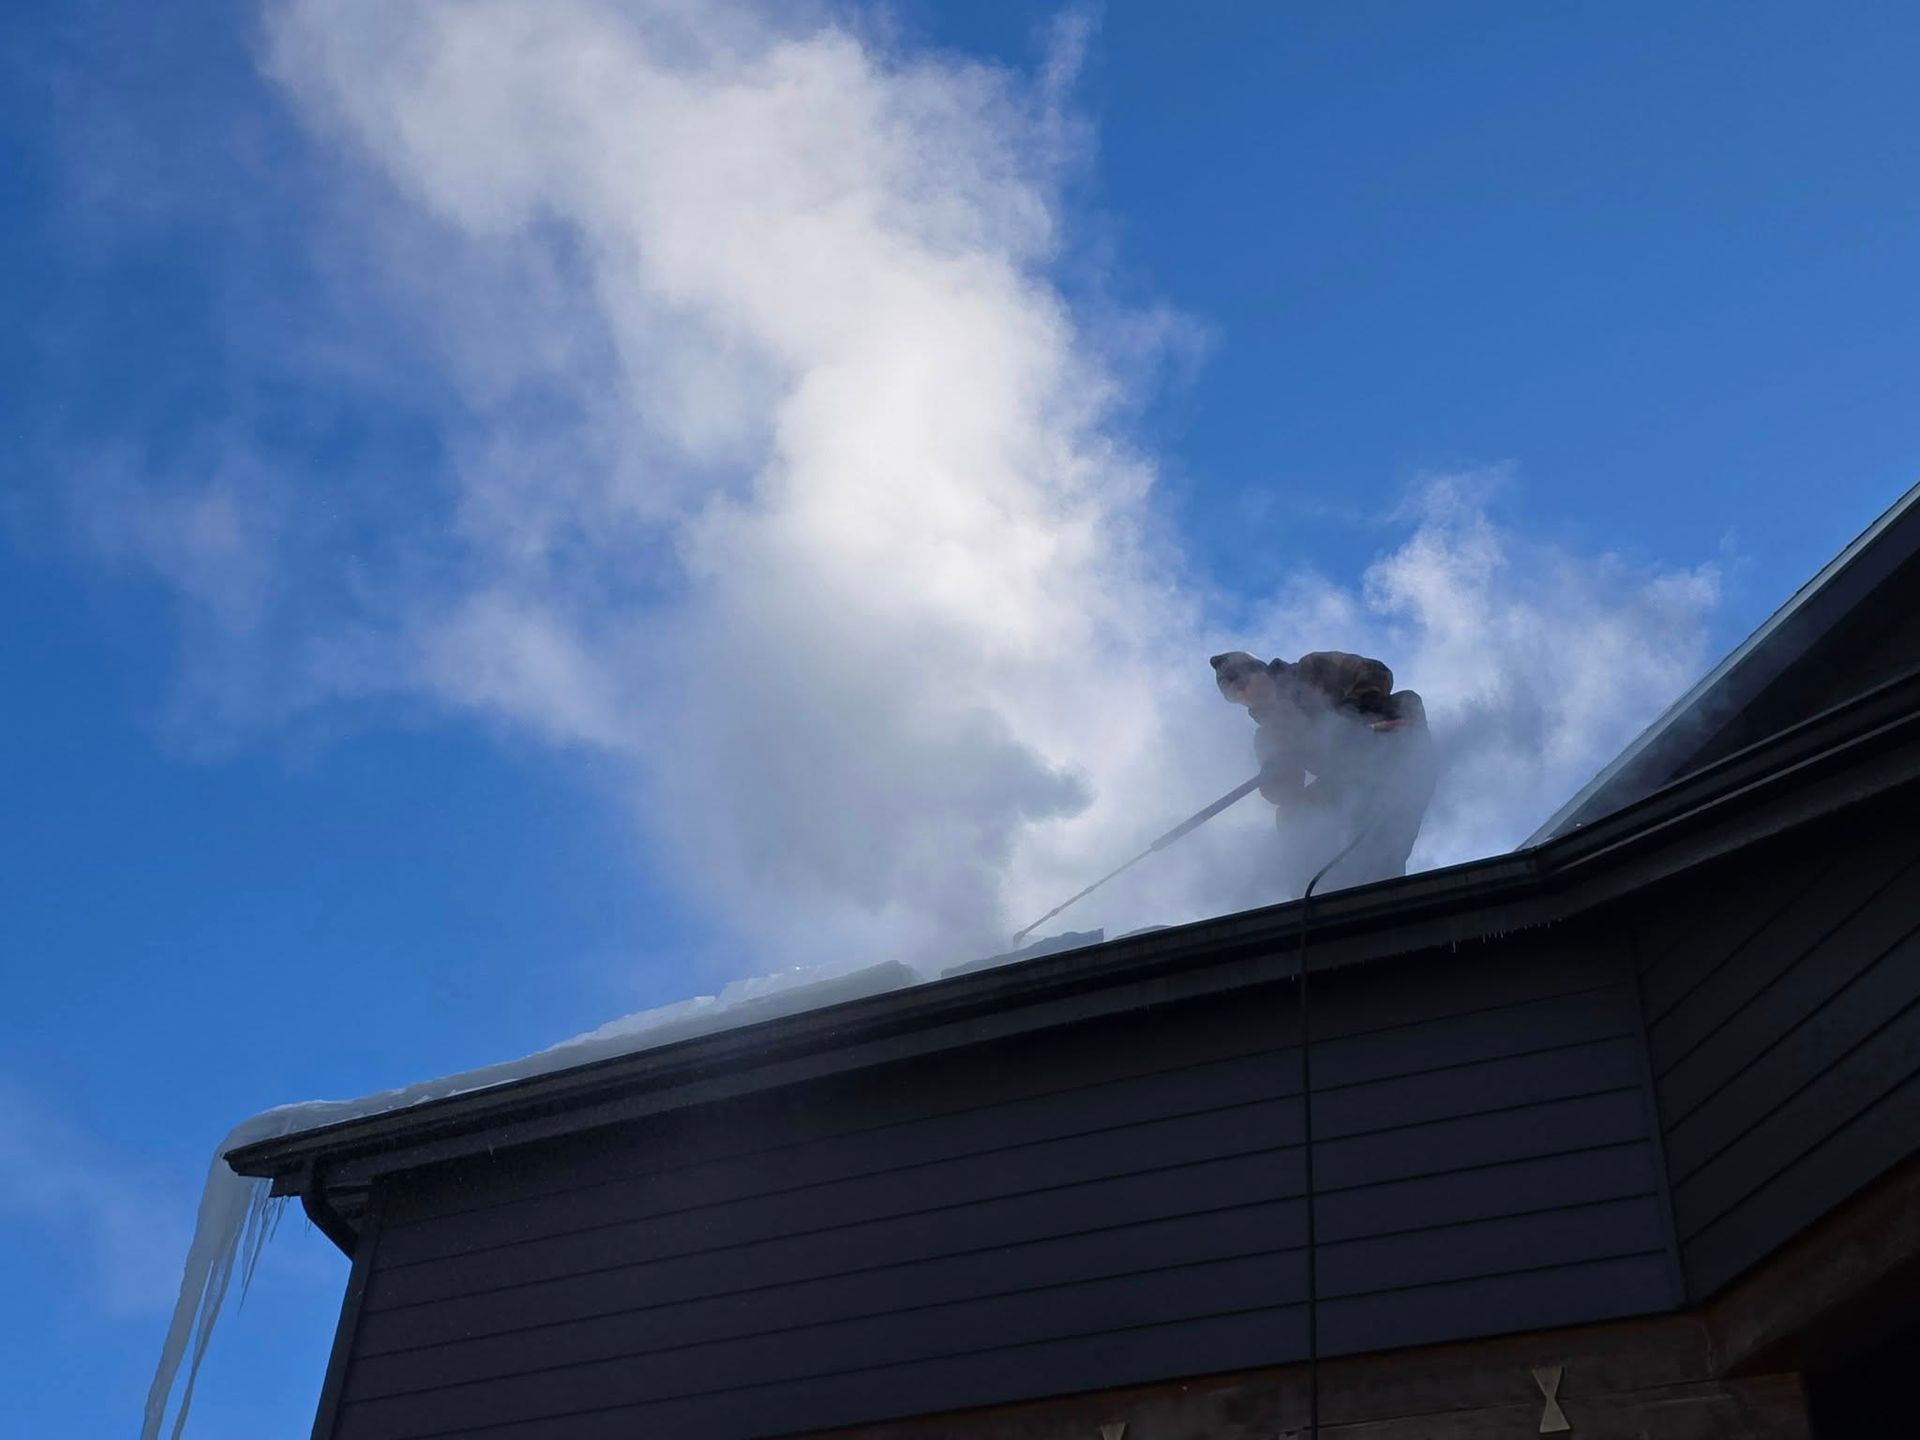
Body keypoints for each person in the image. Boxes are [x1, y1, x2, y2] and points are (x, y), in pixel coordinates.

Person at [1210, 649, 1436, 898]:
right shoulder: (1271, 734)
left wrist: (1353, 716)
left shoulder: (1312, 669)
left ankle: (1386, 893)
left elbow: (1374, 672)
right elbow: (1287, 793)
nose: (1243, 694)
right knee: (1291, 815)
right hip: (1346, 778)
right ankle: (1311, 897)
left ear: (1258, 670)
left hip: (1394, 752)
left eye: (1241, 682)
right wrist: (1277, 775)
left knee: (1381, 845)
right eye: (1233, 696)